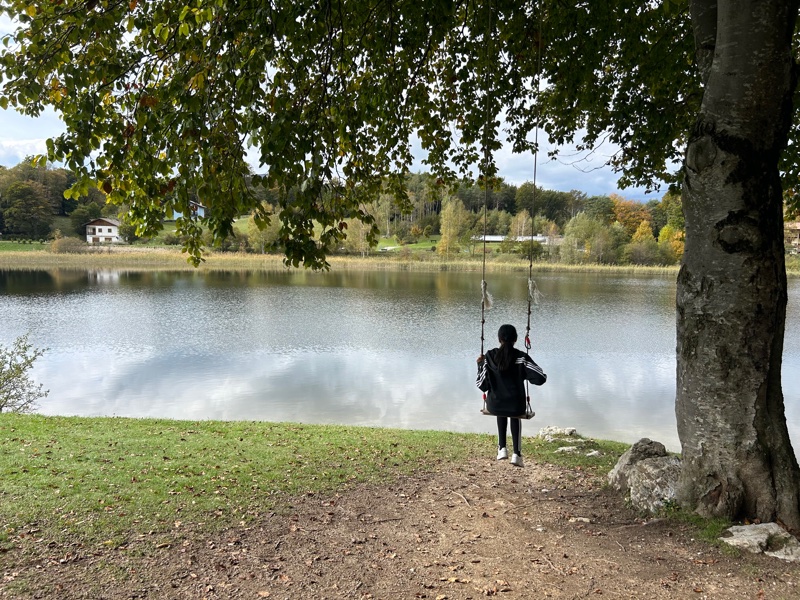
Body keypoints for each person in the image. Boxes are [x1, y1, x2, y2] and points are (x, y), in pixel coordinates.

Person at [476, 324, 547, 467]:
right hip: (515, 406)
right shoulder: (521, 357)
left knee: (501, 407)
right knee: (514, 412)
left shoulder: (489, 356)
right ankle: (517, 454)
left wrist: (480, 365)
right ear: (515, 339)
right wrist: (527, 374)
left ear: (499, 339)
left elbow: (481, 385)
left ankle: (502, 448)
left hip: (495, 405)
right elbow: (540, 378)